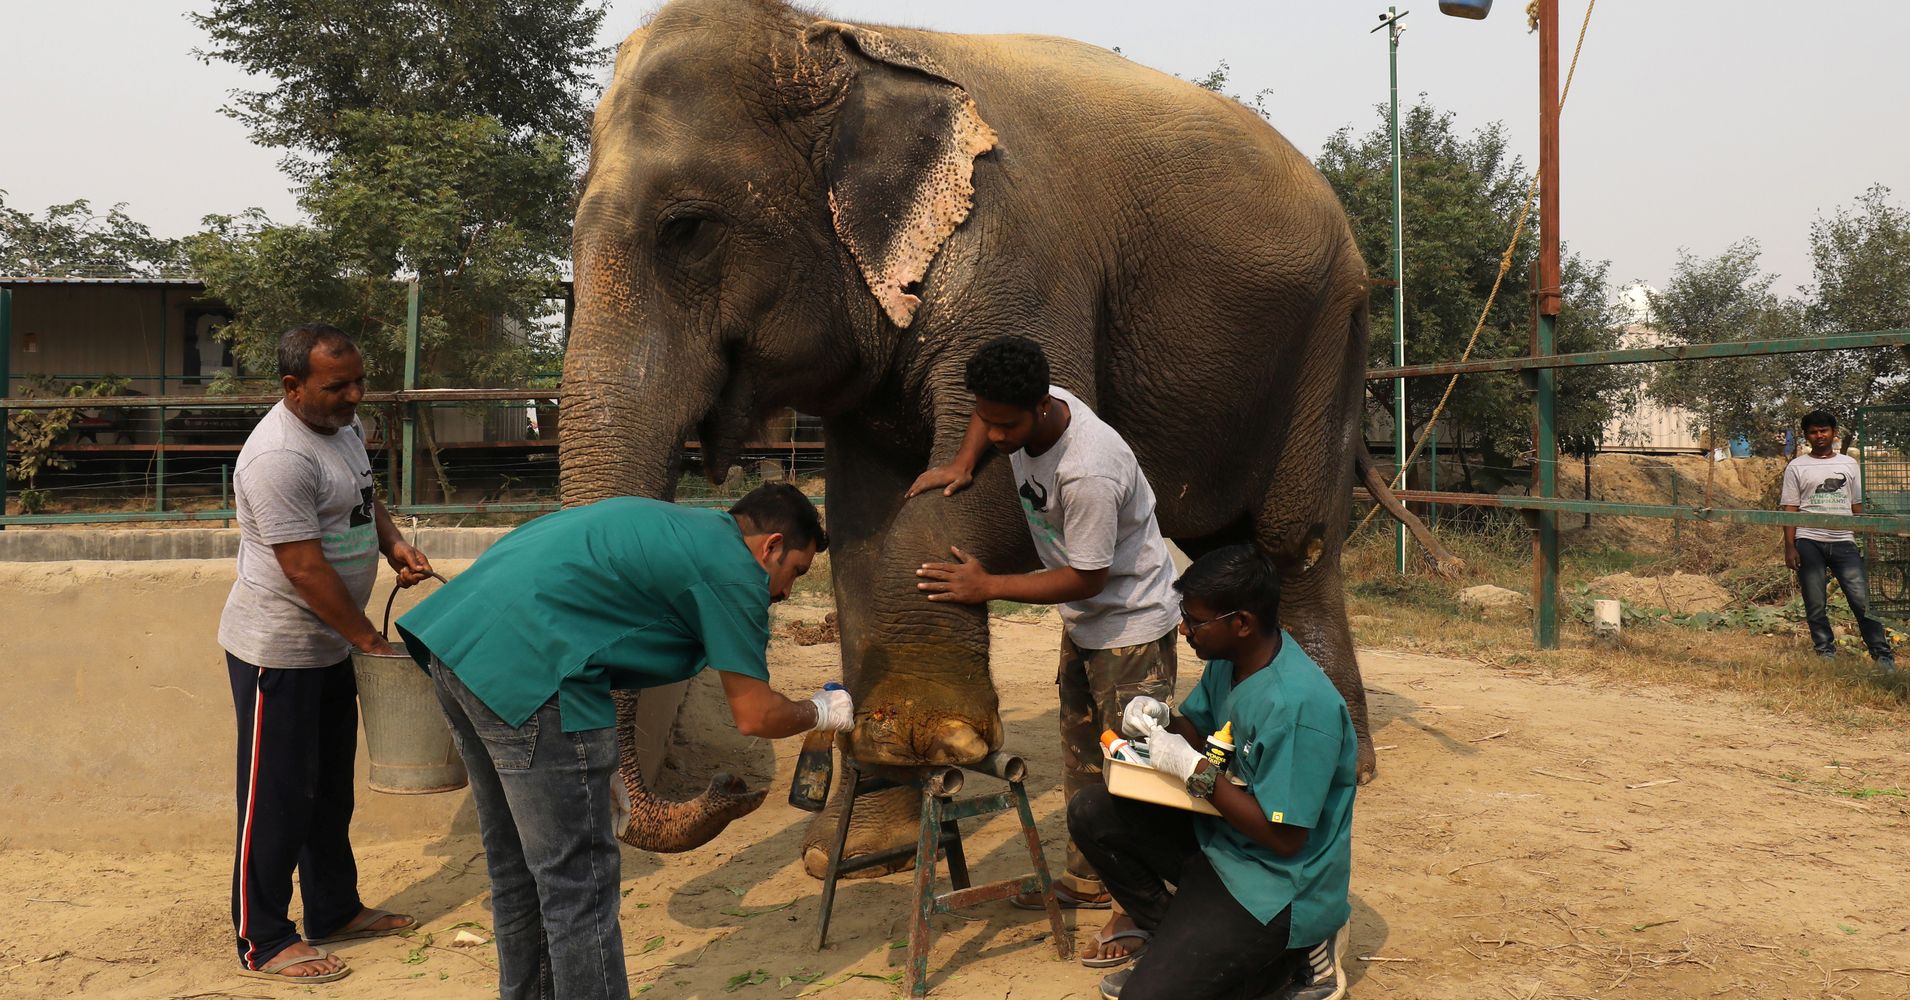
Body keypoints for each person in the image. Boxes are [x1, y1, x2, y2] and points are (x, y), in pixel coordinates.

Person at [394, 483, 854, 1000]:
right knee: (578, 884)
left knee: (517, 867)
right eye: (795, 571)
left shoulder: (678, 527)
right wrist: (821, 710)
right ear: (771, 546)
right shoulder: (733, 567)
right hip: (535, 671)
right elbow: (754, 714)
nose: (787, 592)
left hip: (457, 648)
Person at [909, 334, 1179, 968]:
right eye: (988, 420)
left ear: (1040, 407)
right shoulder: (1019, 412)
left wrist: (987, 587)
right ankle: (1088, 879)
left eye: (1006, 426)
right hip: (1086, 624)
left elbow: (1089, 575)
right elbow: (984, 418)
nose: (996, 435)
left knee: (1136, 775)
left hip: (1130, 627)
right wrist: (962, 461)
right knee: (1084, 757)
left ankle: (1136, 909)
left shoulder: (1088, 467)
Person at [217, 324, 435, 984]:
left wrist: (392, 543)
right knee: (276, 795)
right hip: (278, 652)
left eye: (357, 382)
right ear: (293, 387)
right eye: (336, 386)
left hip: (332, 645)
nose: (354, 395)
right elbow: (305, 570)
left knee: (327, 792)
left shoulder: (344, 427)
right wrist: (369, 639)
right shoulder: (277, 458)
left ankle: (334, 908)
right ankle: (263, 936)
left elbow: (364, 501)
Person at [1076, 546, 1357, 1000]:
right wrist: (1161, 720)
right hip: (1222, 841)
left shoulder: (1298, 708)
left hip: (1276, 882)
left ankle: (1298, 949)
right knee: (1093, 810)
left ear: (1241, 622)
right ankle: (1179, 942)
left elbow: (1285, 839)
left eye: (1193, 621)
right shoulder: (1233, 661)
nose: (1183, 630)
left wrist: (1198, 773)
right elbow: (1201, 727)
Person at [1780, 410, 1895, 671]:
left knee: (1860, 599)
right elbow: (1789, 508)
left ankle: (1883, 656)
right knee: (1815, 600)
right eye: (1813, 432)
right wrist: (1790, 546)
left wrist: (1870, 540)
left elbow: (1857, 505)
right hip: (1808, 539)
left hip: (1844, 540)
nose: (1819, 436)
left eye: (1824, 430)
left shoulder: (1848, 464)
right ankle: (1825, 654)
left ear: (1834, 433)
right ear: (1806, 436)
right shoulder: (1797, 466)